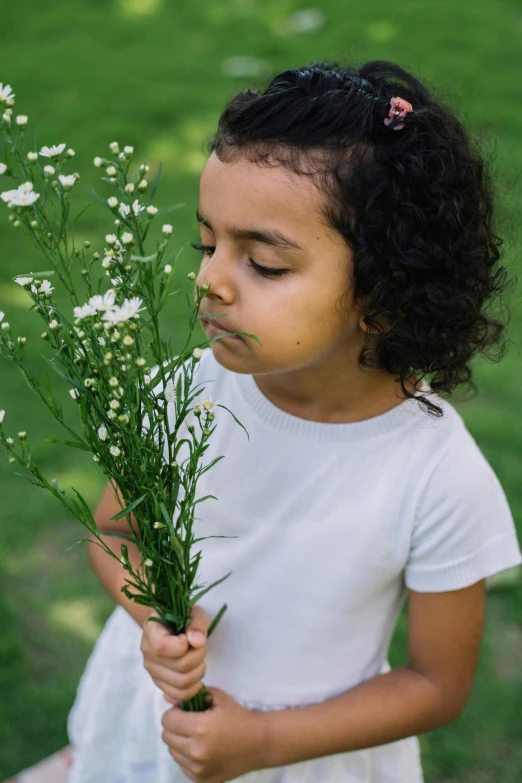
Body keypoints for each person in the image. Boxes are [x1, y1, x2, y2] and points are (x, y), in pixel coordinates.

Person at [66, 59, 522, 783]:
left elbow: (437, 683)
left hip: (302, 755)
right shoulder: (193, 391)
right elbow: (114, 531)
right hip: (156, 727)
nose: (209, 279)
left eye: (265, 264)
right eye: (207, 243)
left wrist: (266, 744)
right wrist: (152, 618)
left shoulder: (437, 475)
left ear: (385, 291)